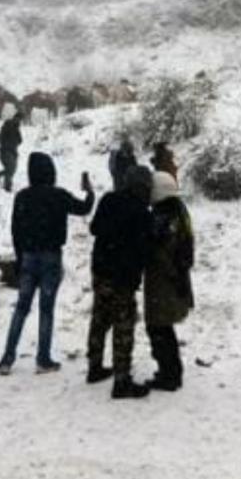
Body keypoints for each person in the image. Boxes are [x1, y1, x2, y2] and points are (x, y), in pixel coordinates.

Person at [0, 153, 95, 376]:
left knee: (21, 308)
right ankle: (43, 358)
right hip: (51, 256)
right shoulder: (58, 195)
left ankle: (7, 358)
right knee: (46, 309)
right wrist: (89, 191)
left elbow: (16, 230)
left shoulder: (22, 197)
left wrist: (20, 258)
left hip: (28, 255)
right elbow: (84, 208)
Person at [87, 165, 154, 399]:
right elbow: (146, 250)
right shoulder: (143, 213)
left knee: (99, 318)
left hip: (100, 270)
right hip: (123, 278)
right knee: (123, 326)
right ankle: (121, 380)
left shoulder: (108, 199)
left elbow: (94, 228)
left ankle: (94, 367)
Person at [143, 172, 194, 392]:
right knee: (164, 327)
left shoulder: (163, 216)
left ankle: (169, 374)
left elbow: (160, 250)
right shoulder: (179, 211)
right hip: (175, 277)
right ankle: (171, 370)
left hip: (164, 280)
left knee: (159, 327)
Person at [0, 112, 23, 192]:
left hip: (13, 151)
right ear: (14, 118)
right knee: (10, 167)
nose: (18, 121)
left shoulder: (16, 129)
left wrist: (15, 142)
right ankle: (7, 186)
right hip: (5, 151)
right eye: (17, 119)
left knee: (12, 169)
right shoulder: (7, 126)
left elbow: (20, 140)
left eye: (20, 120)